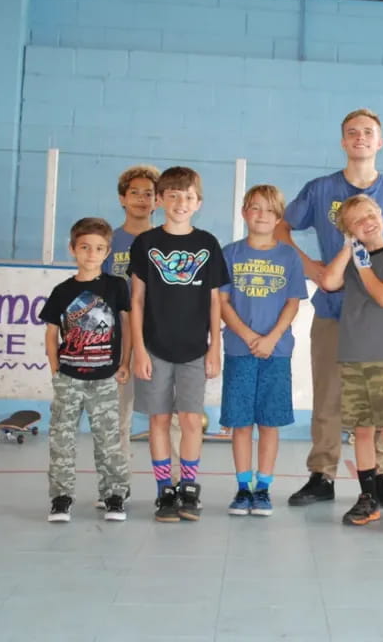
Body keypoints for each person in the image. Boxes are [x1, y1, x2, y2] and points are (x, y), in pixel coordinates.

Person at [277, 108, 383, 507]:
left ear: (380, 142)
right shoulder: (319, 189)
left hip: (380, 319)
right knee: (328, 395)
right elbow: (282, 228)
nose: (360, 138)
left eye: (368, 132)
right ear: (343, 142)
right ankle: (322, 473)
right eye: (352, 132)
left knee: (380, 400)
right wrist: (311, 267)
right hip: (334, 309)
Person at [128, 166, 227, 522]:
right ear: (159, 200)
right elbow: (136, 300)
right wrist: (138, 348)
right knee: (158, 419)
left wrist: (214, 346)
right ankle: (163, 491)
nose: (180, 203)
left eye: (187, 197)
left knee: (189, 419)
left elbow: (215, 301)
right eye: (172, 196)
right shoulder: (146, 244)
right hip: (154, 348)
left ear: (198, 203)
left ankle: (187, 487)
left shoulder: (207, 244)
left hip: (193, 351)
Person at [321, 194, 383, 531]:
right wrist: (349, 250)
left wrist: (363, 264)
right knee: (362, 431)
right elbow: (329, 282)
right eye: (357, 221)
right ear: (349, 230)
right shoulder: (352, 258)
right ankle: (368, 497)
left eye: (371, 214)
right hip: (352, 355)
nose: (368, 221)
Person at [219, 185, 308, 517]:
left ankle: (263, 488)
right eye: (255, 208)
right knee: (241, 423)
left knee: (269, 424)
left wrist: (271, 338)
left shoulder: (288, 256)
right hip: (239, 350)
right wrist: (246, 335)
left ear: (278, 218)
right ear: (244, 212)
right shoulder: (230, 254)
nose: (261, 215)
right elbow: (223, 302)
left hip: (277, 351)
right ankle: (243, 488)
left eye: (269, 210)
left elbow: (292, 302)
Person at [101, 165, 185, 495]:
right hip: (118, 343)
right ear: (122, 198)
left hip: (162, 339)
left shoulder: (169, 239)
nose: (141, 198)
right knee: (116, 416)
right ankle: (115, 486)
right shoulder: (108, 242)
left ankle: (179, 483)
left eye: (148, 193)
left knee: (171, 415)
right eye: (134, 192)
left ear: (159, 200)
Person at [41, 217, 131, 522]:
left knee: (108, 440)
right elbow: (51, 333)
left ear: (107, 252)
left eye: (98, 248)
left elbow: (127, 326)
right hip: (69, 377)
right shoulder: (62, 291)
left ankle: (114, 495)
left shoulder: (116, 286)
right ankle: (61, 497)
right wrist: (56, 368)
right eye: (84, 247)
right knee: (61, 438)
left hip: (104, 378)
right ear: (72, 249)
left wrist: (124, 362)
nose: (91, 254)